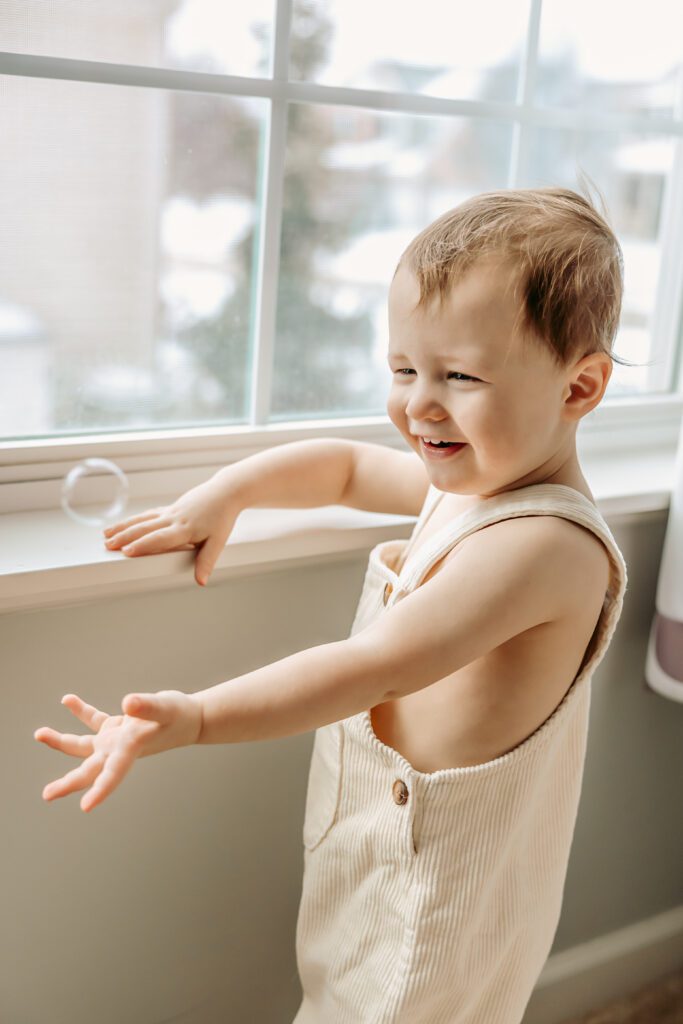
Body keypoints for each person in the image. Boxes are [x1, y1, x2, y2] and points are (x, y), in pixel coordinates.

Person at [35, 186, 629, 1024]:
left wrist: (196, 715)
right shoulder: (472, 483)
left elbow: (370, 666)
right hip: (377, 848)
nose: (420, 405)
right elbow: (346, 470)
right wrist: (228, 493)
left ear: (579, 388)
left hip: (439, 898)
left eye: (459, 376)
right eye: (403, 370)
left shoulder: (542, 547)